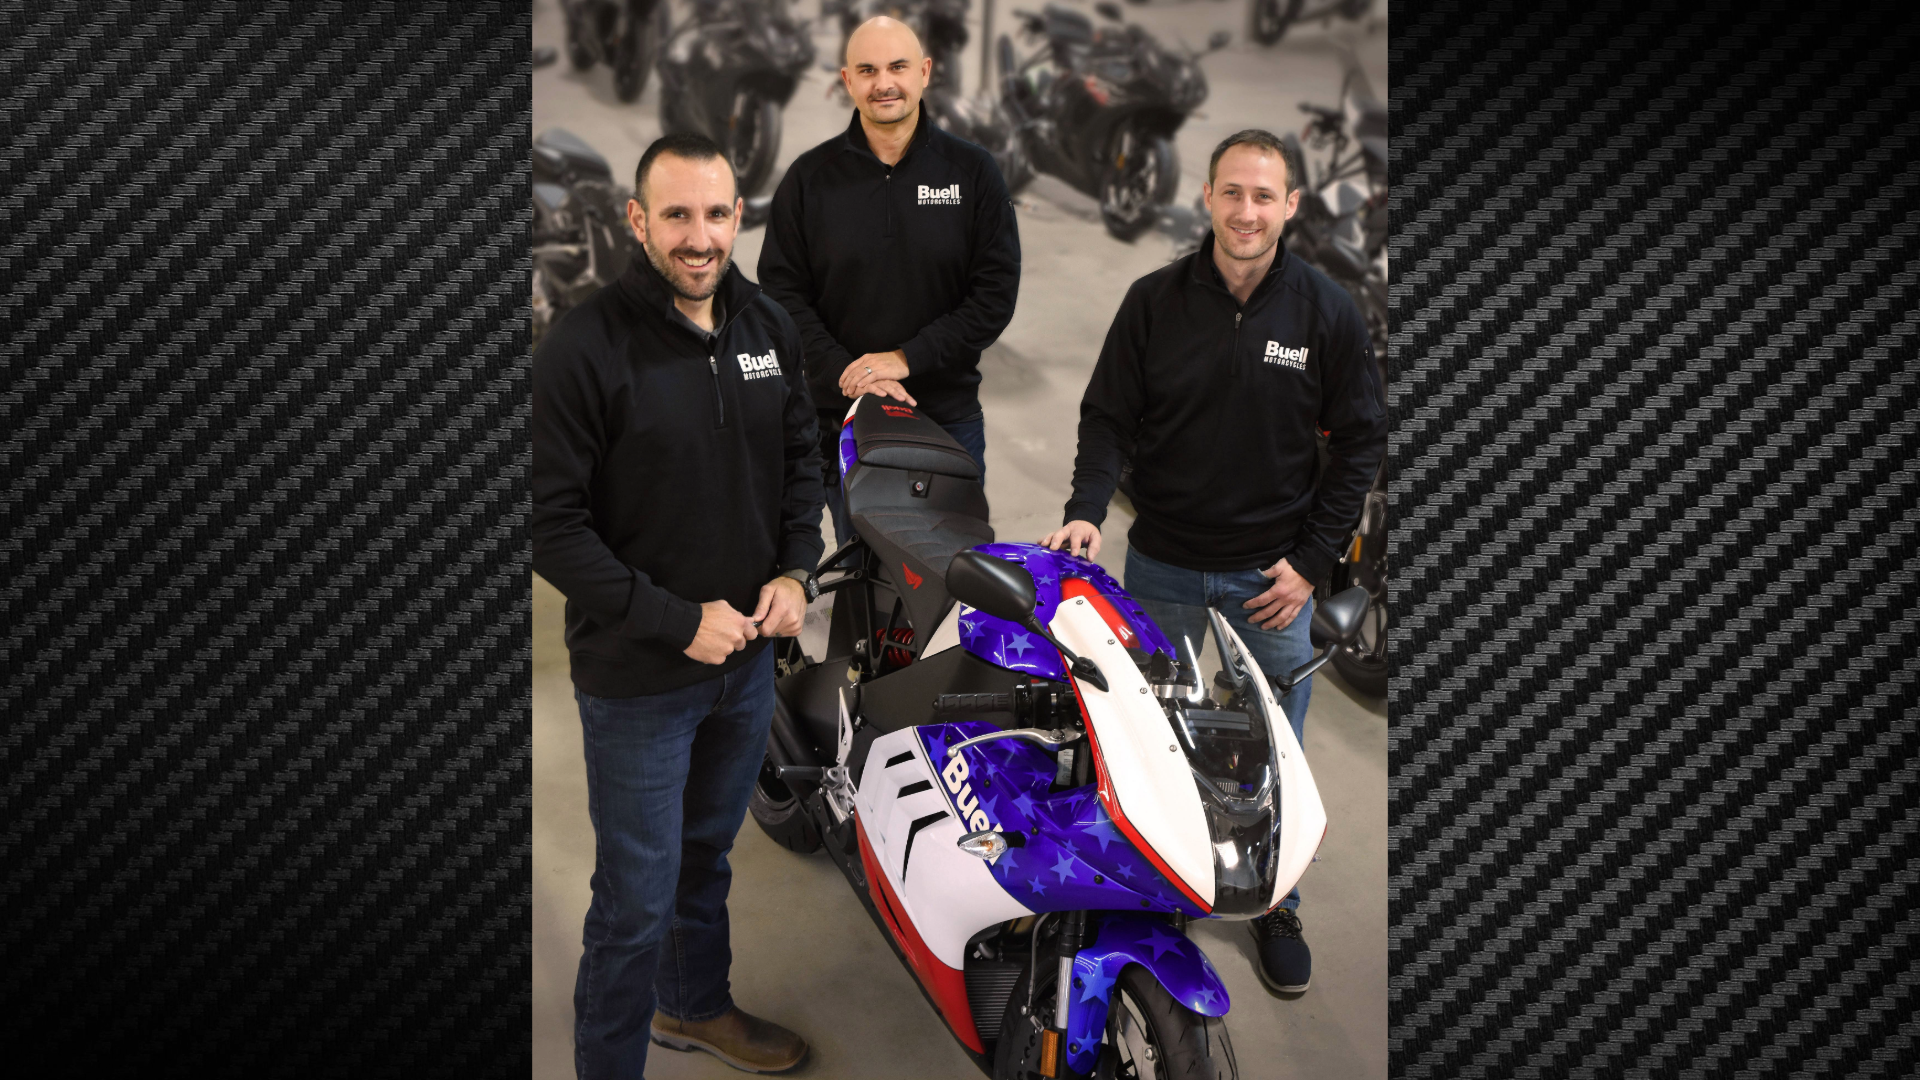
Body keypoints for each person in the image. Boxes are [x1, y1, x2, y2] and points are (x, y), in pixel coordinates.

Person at [1040, 129, 1387, 997]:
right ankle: (1168, 886)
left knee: (1276, 750)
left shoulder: (1325, 312)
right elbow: (1108, 417)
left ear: (1291, 205)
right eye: (1232, 192)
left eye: (1264, 196)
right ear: (1206, 196)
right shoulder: (1154, 302)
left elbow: (1361, 442)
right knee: (1152, 739)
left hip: (1271, 582)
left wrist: (1311, 562)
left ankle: (1275, 902)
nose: (1246, 211)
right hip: (1161, 566)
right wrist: (1085, 510)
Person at [532, 132, 824, 1079]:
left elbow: (802, 462)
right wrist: (678, 621)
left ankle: (693, 1006)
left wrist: (796, 570)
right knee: (634, 902)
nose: (700, 238)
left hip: (746, 668)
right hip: (639, 682)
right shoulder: (583, 350)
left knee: (705, 857)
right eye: (677, 216)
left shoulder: (767, 327)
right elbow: (551, 528)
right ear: (638, 220)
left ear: (738, 216)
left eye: (716, 214)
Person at [759, 15, 1020, 545]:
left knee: (953, 572)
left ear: (924, 72)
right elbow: (782, 295)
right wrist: (848, 372)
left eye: (898, 67)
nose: (884, 83)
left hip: (945, 417)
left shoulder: (973, 172)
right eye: (868, 70)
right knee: (861, 570)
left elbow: (994, 295)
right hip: (845, 420)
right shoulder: (809, 179)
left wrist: (906, 358)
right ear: (847, 80)